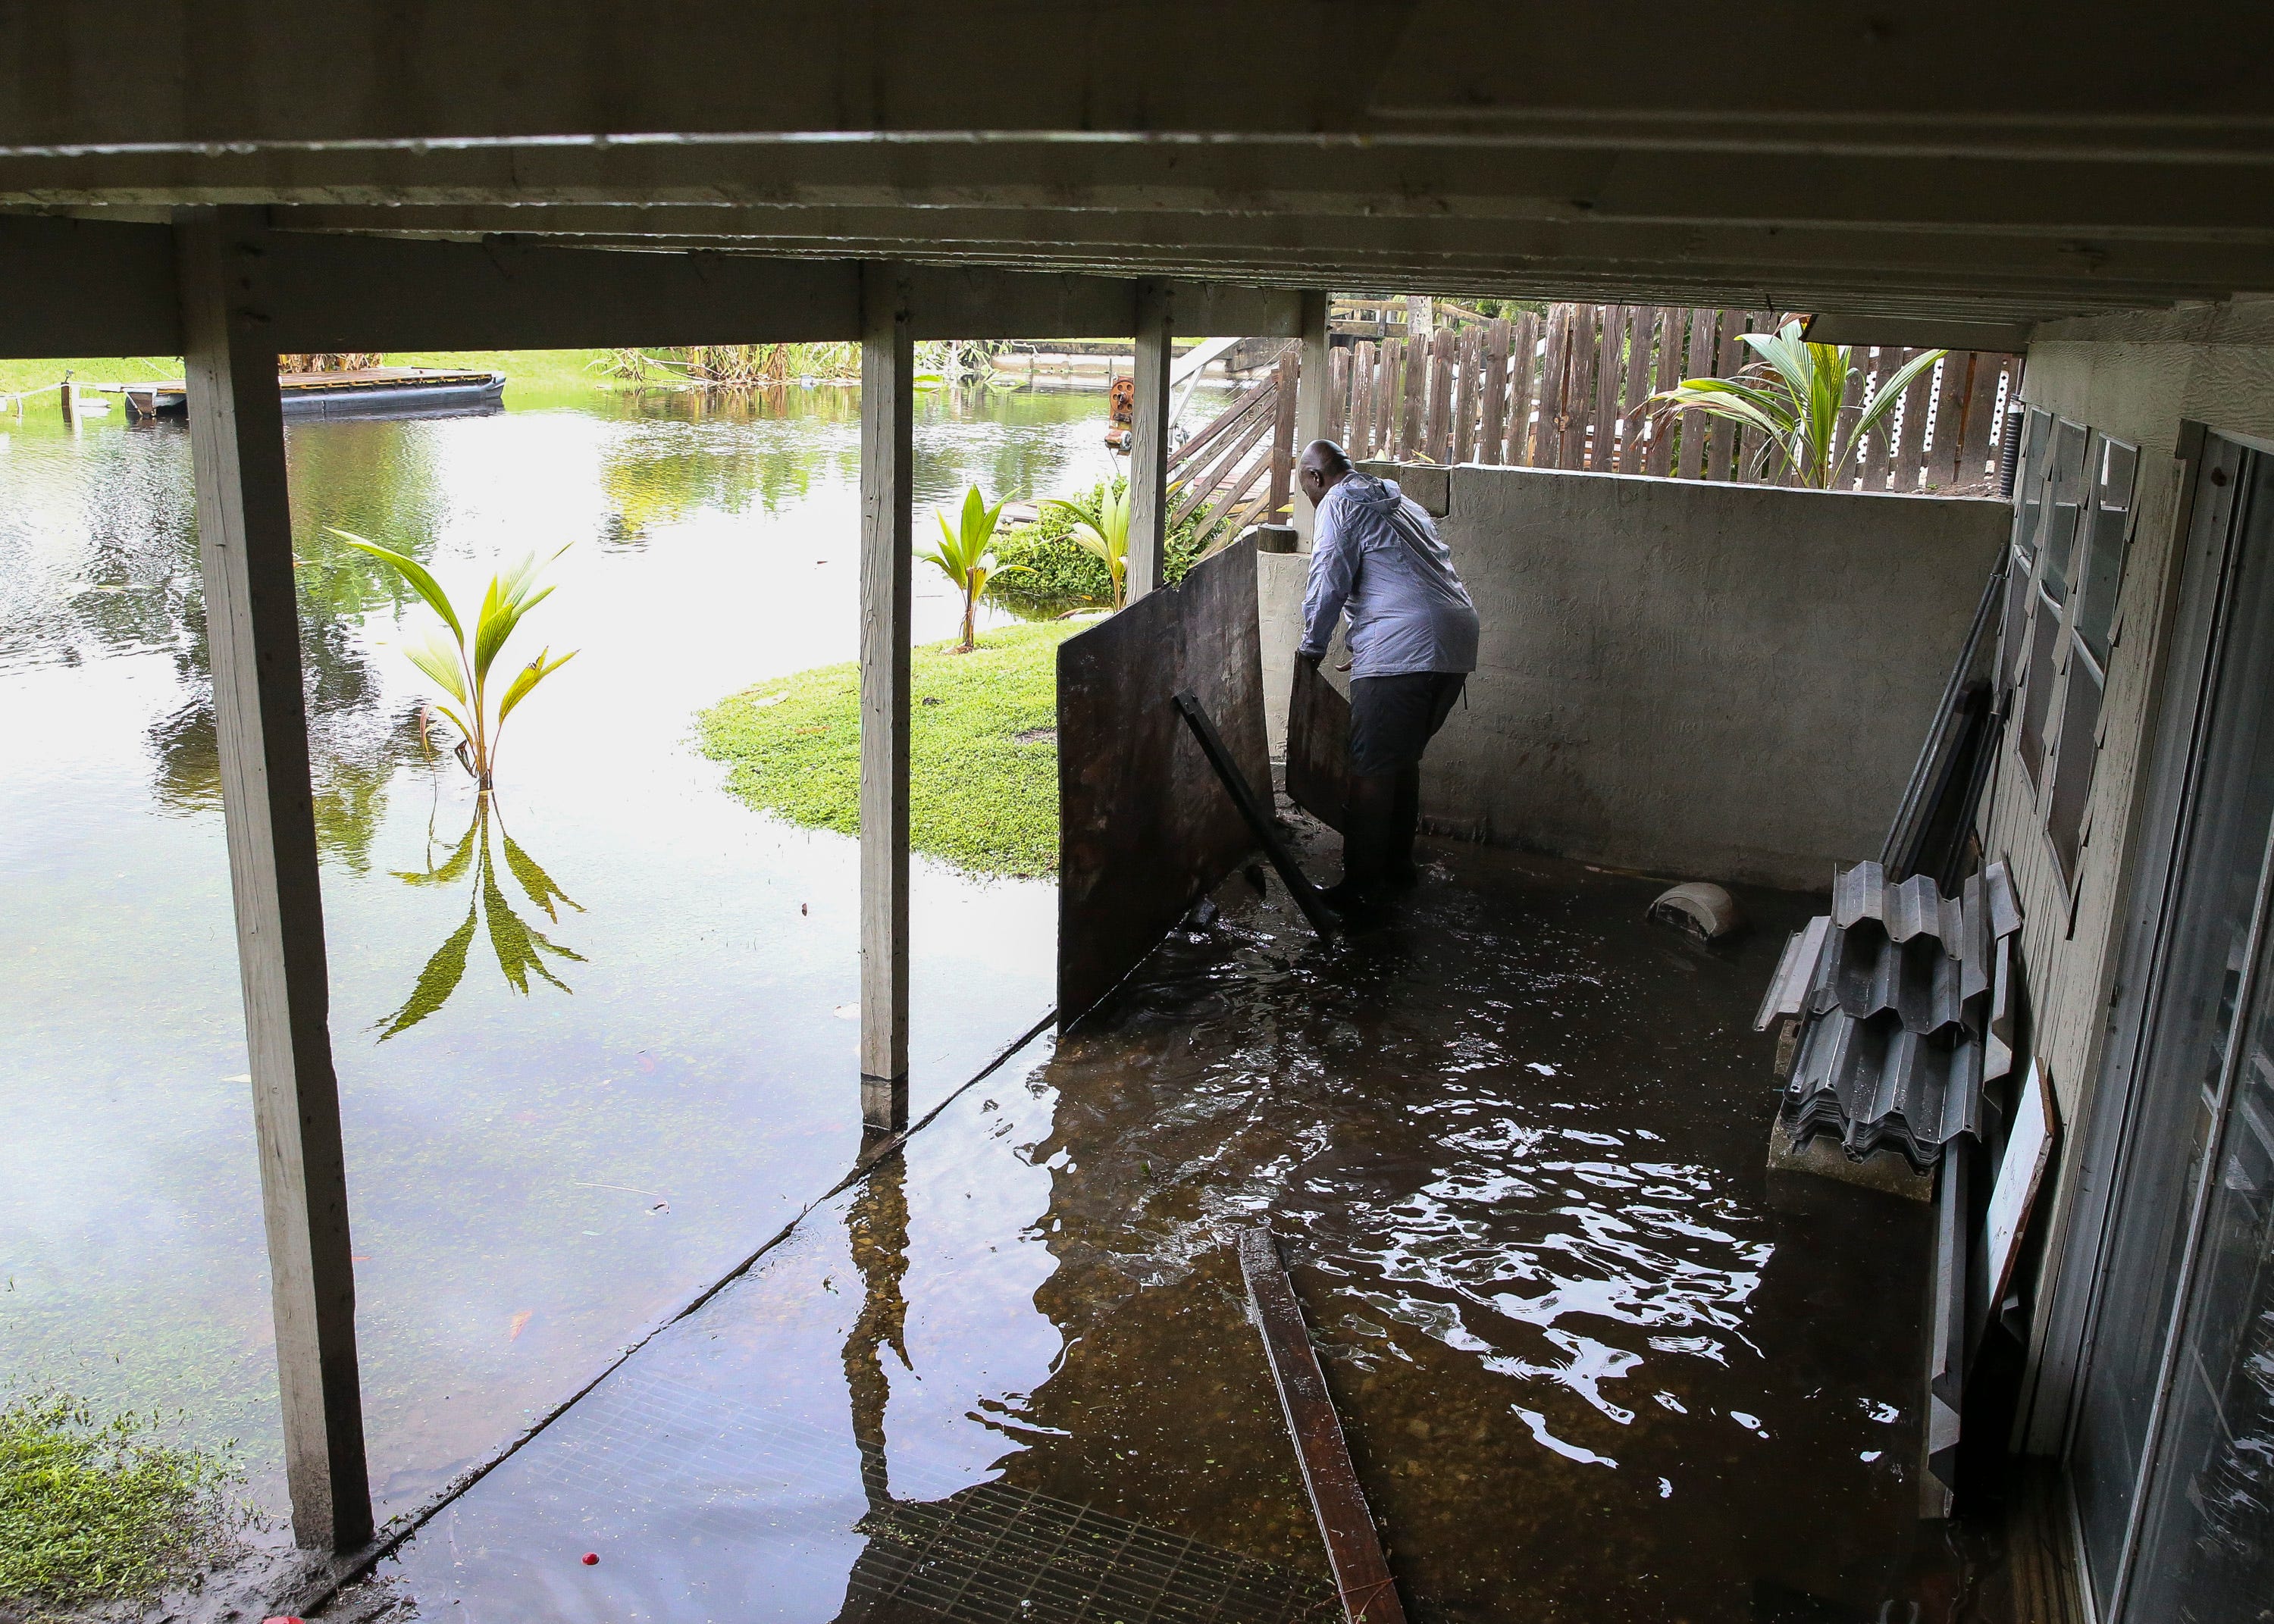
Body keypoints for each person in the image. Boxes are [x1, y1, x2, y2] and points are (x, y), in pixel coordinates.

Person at [1295, 439, 1479, 906]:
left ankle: (1358, 887)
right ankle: (1398, 870)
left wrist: (1311, 650)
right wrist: (1366, 642)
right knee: (1400, 760)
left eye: (1307, 487)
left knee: (1371, 770)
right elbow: (1406, 575)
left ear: (1317, 477)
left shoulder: (1337, 501)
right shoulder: (1403, 503)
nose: (1311, 498)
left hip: (1404, 645)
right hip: (1455, 639)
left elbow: (1328, 577)